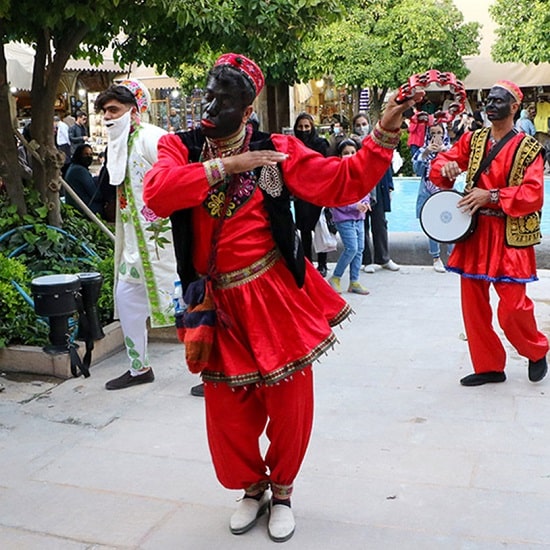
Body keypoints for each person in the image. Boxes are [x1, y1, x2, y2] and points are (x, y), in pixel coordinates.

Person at [143, 52, 420, 543]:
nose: (209, 105)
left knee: (290, 402)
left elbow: (341, 181)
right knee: (226, 411)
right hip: (215, 302)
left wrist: (384, 129)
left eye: (224, 100)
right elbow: (159, 194)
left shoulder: (276, 150)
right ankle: (251, 488)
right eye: (207, 93)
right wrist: (229, 165)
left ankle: (284, 491)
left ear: (248, 110)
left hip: (272, 293)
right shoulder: (178, 146)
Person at [430, 80, 549, 387]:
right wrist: (446, 169)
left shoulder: (529, 149)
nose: (490, 104)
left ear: (514, 107)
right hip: (474, 231)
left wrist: (491, 196)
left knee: (513, 307)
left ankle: (535, 350)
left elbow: (533, 194)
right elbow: (444, 160)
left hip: (509, 234)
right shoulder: (473, 139)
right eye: (488, 100)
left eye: (499, 100)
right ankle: (489, 366)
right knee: (473, 306)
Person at [93, 80, 179, 391]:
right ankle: (139, 367)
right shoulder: (118, 144)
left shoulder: (153, 138)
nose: (107, 117)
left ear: (135, 108)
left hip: (164, 244)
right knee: (126, 300)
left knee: (187, 306)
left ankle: (213, 372)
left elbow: (178, 179)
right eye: (104, 111)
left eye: (114, 109)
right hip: (133, 245)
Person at [328, 139, 371, 295]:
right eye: (346, 153)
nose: (350, 156)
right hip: (344, 218)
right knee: (352, 248)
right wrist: (354, 206)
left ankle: (354, 281)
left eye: (353, 153)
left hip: (359, 217)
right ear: (339, 156)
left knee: (359, 249)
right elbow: (336, 200)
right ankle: (336, 277)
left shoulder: (360, 173)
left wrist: (366, 203)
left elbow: (365, 192)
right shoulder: (337, 175)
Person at [292, 112, 330, 276]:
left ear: (312, 127)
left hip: (318, 191)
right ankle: (307, 261)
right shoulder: (293, 144)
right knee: (304, 231)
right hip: (300, 193)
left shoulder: (321, 144)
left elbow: (326, 167)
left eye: (307, 126)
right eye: (300, 127)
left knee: (320, 227)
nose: (304, 130)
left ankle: (322, 264)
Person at [413, 122, 451, 272]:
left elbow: (459, 167)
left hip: (446, 193)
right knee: (432, 224)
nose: (437, 136)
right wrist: (426, 154)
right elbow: (417, 170)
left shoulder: (450, 150)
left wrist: (444, 153)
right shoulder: (423, 150)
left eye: (439, 133)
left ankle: (451, 257)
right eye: (433, 133)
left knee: (450, 224)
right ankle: (435, 257)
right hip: (428, 192)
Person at [64, 144, 104, 216]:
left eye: (90, 154)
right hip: (83, 209)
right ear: (79, 155)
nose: (89, 157)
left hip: (76, 206)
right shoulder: (80, 170)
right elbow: (96, 195)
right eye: (86, 154)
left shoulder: (73, 167)